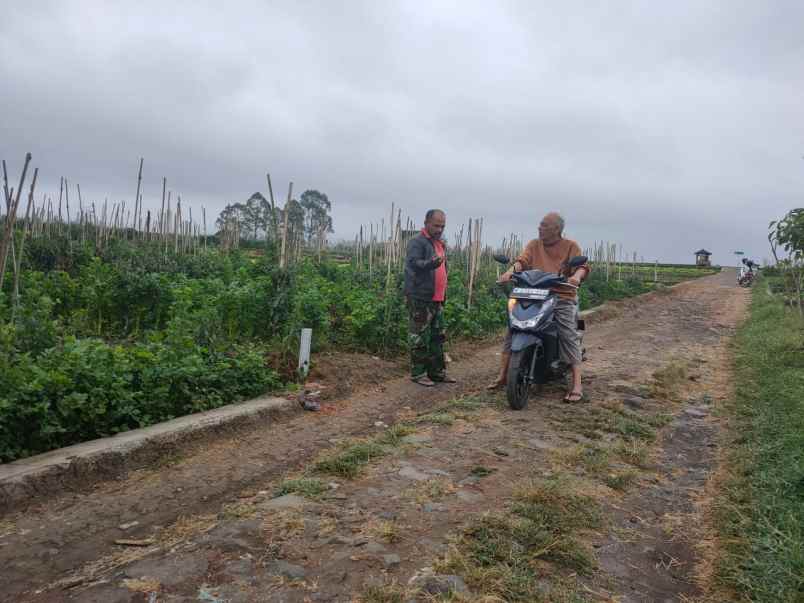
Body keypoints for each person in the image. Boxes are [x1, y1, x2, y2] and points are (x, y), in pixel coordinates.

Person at [488, 212, 589, 402]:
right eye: (540, 225)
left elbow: (582, 266)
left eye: (544, 225)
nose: (539, 228)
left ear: (557, 229)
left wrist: (576, 277)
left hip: (561, 295)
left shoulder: (571, 247)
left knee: (567, 333)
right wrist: (509, 272)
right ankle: (503, 375)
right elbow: (522, 261)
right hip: (531, 294)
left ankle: (577, 384)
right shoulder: (534, 244)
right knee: (513, 327)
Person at [403, 209, 457, 387]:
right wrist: (430, 264)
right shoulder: (417, 242)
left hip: (437, 299)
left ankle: (437, 373)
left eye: (442, 226)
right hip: (421, 298)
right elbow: (413, 263)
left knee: (437, 337)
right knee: (419, 337)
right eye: (436, 225)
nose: (440, 229)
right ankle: (418, 374)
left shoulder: (439, 243)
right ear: (426, 222)